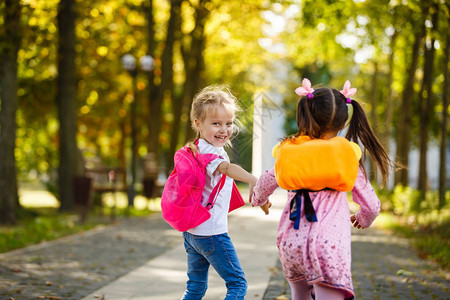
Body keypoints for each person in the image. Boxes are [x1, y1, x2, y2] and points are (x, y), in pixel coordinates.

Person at [251, 79, 393, 300]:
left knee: (300, 296)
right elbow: (373, 206)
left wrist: (259, 200)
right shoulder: (346, 157)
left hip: (292, 243)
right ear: (342, 121)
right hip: (329, 247)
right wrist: (363, 218)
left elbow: (266, 181)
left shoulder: (291, 152)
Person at [181, 85, 269, 300]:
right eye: (216, 124)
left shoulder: (197, 146)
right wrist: (253, 179)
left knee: (195, 288)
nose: (224, 129)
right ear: (197, 124)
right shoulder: (209, 152)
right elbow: (227, 169)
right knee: (237, 284)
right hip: (212, 233)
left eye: (228, 123)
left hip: (192, 232)